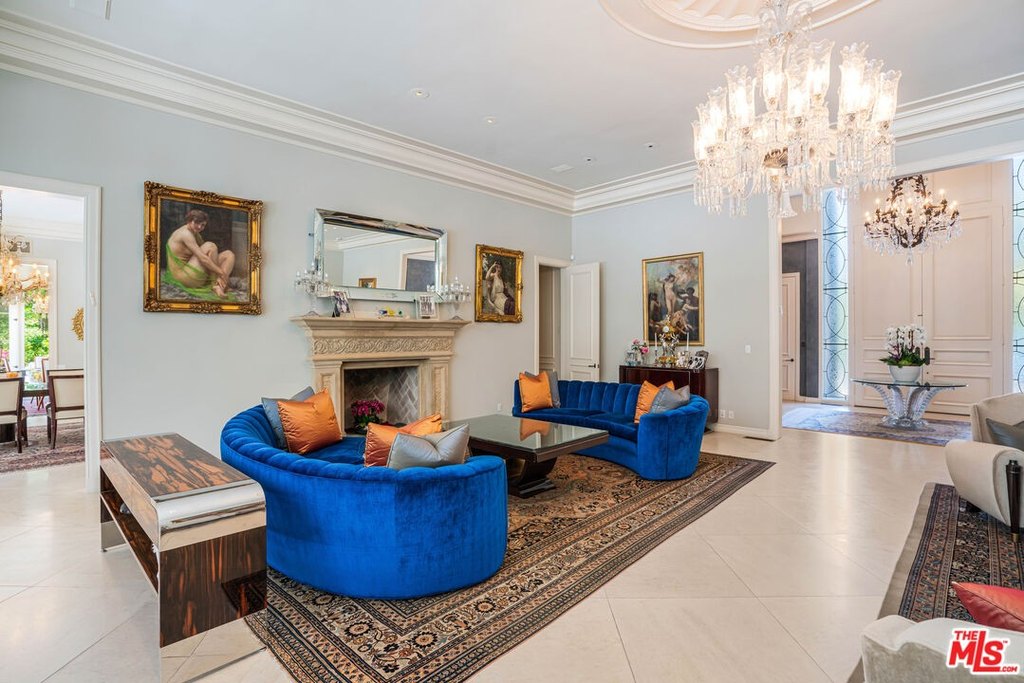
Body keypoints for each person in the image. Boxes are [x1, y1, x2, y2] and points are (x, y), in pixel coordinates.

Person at [165, 209, 236, 298]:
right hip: (184, 276)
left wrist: (219, 272)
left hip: (193, 270)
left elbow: (209, 255)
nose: (199, 227)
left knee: (229, 255)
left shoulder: (195, 233)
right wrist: (221, 273)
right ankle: (215, 284)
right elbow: (203, 258)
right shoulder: (185, 234)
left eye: (202, 225)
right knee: (210, 246)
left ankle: (219, 285)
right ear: (189, 221)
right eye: (196, 223)